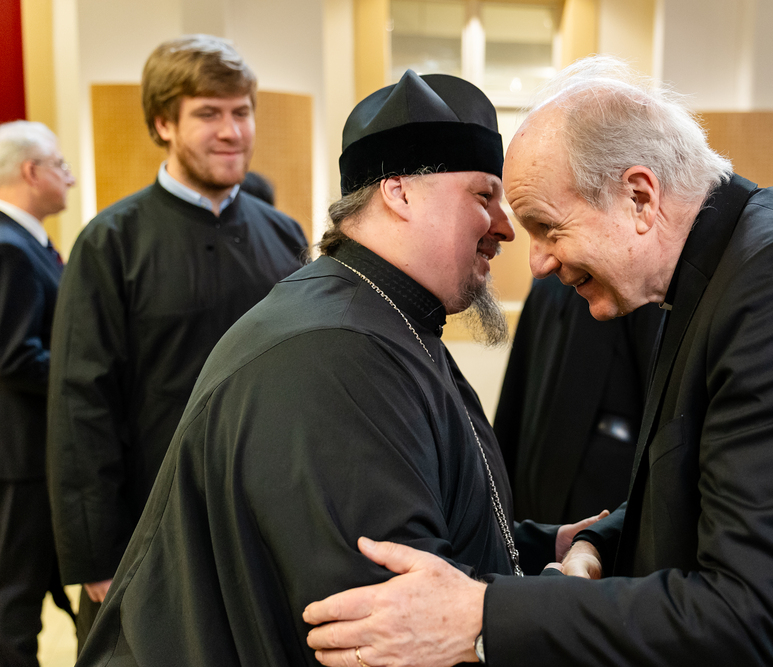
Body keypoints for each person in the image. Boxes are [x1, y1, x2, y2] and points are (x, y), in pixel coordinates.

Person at [303, 56, 773, 666]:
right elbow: (727, 482)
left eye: (547, 227)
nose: (538, 262)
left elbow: (750, 614)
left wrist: (480, 618)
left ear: (639, 196)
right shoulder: (725, 269)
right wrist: (601, 541)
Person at [74, 70, 593, 667]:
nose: (504, 226)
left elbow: (437, 522)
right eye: (483, 196)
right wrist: (552, 606)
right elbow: (394, 626)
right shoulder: (337, 354)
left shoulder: (384, 317)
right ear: (399, 192)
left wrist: (543, 545)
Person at [46, 34, 307, 647]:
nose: (232, 131)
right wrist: (96, 554)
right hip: (145, 530)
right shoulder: (110, 242)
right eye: (208, 114)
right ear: (163, 123)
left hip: (260, 525)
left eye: (241, 112)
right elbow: (81, 406)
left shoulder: (284, 236)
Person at [494, 275, 661, 524]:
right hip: (535, 505)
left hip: (605, 513)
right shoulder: (548, 283)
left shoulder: (636, 285)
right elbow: (515, 401)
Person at [0, 121, 75, 667]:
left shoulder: (29, 242)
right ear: (31, 171)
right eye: (61, 166)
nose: (69, 178)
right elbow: (15, 356)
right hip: (19, 457)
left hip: (30, 455)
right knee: (15, 603)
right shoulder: (9, 247)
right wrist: (88, 380)